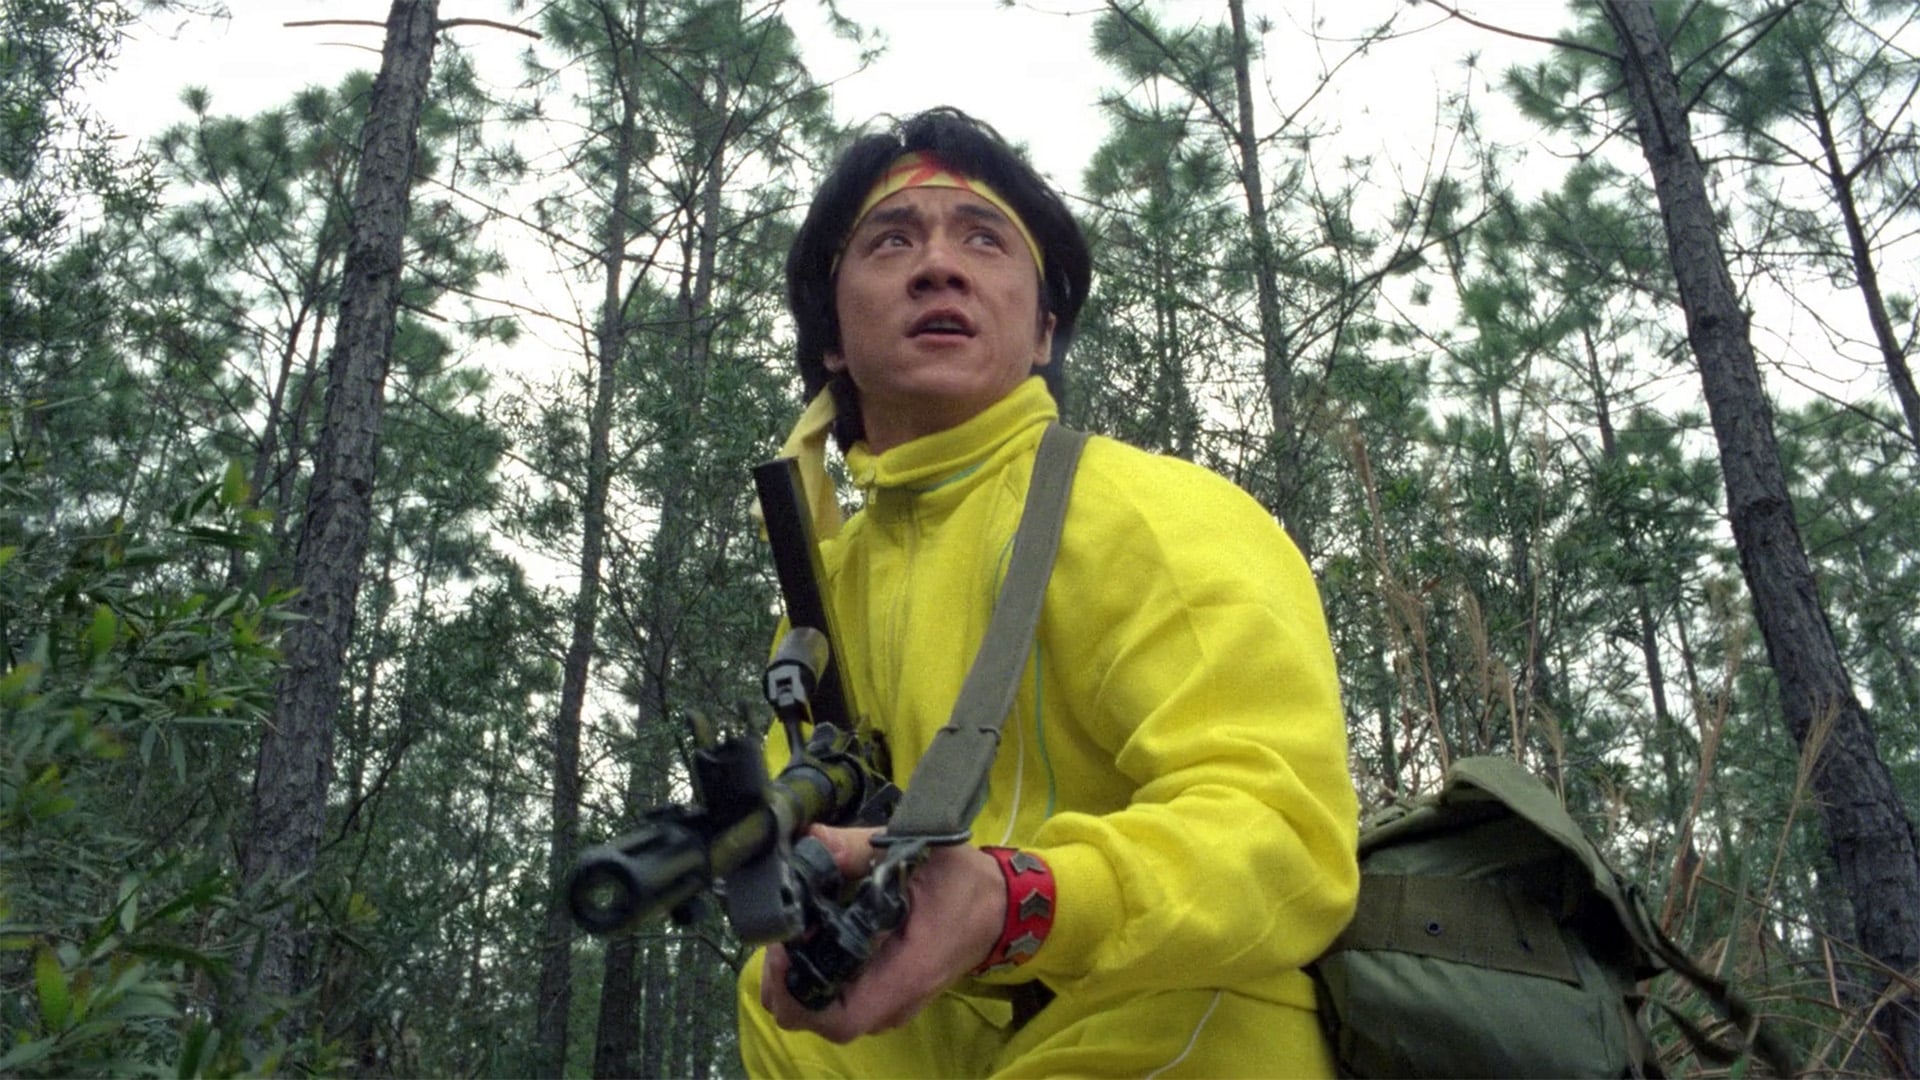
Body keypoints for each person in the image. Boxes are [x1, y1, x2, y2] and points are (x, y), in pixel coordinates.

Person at [737, 106, 1359, 1078]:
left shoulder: (1150, 511)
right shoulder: (816, 608)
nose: (938, 266)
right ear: (832, 341)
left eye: (984, 239)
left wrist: (1016, 902)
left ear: (1043, 332)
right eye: (891, 240)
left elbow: (1283, 844)